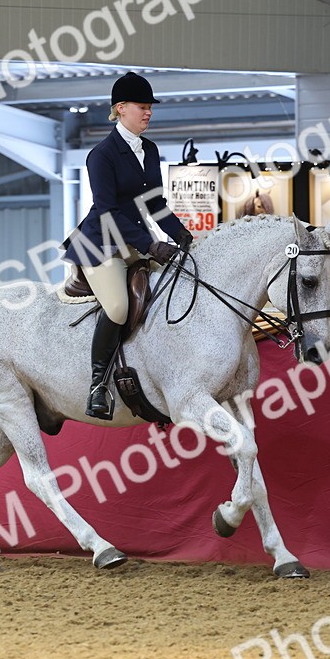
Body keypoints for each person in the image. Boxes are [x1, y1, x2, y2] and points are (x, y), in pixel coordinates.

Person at [61, 72, 193, 420]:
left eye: (150, 107)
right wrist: (151, 245)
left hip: (135, 238)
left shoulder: (149, 149)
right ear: (120, 108)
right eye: (142, 107)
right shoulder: (101, 155)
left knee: (179, 283)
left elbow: (155, 202)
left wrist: (180, 233)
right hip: (100, 243)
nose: (148, 113)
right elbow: (107, 212)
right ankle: (98, 386)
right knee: (119, 308)